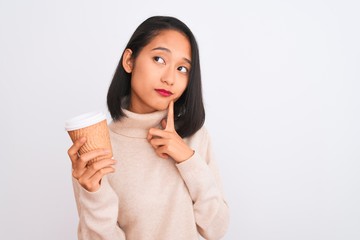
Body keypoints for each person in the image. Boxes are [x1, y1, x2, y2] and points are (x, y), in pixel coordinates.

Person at [67, 16, 229, 240]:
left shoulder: (194, 138)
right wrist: (93, 194)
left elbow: (216, 229)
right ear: (129, 61)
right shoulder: (99, 147)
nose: (170, 78)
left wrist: (186, 158)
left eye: (182, 68)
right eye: (159, 59)